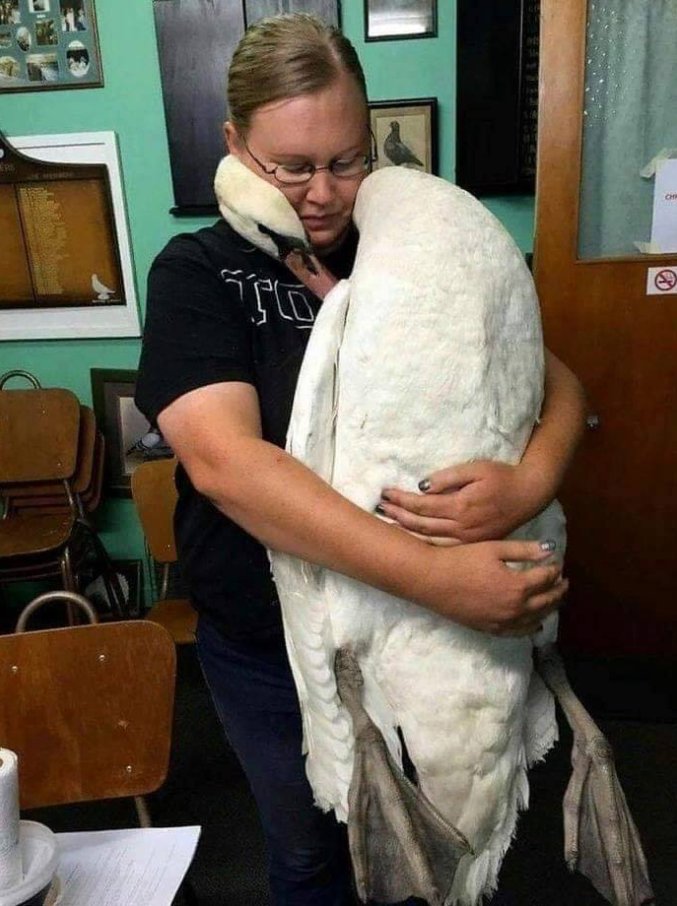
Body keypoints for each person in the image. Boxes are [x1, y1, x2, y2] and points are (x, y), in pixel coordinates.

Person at [136, 14, 585, 906]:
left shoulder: (414, 245)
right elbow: (228, 467)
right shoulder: (199, 272)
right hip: (270, 637)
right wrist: (436, 575)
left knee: (445, 835)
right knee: (310, 850)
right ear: (235, 144)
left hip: (429, 634)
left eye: (344, 161)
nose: (321, 193)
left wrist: (529, 483)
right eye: (289, 166)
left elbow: (555, 380)